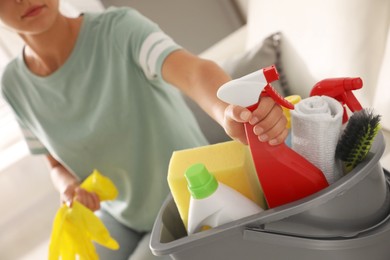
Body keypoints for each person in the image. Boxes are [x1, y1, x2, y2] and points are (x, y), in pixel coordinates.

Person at [0, 1, 288, 259]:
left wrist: (227, 110)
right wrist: (68, 187)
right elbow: (53, 163)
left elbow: (193, 71)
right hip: (119, 214)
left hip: (188, 201)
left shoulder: (118, 30)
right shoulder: (13, 85)